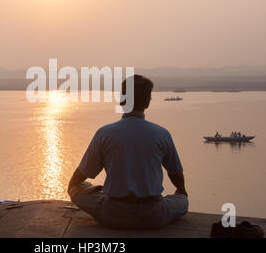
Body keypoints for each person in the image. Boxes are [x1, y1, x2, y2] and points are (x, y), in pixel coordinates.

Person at [68, 75, 188, 230]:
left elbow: (82, 173)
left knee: (76, 188)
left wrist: (73, 185)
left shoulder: (104, 133)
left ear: (121, 100)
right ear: (147, 102)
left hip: (113, 214)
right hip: (153, 215)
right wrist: (181, 191)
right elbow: (176, 174)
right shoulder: (161, 134)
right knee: (182, 200)